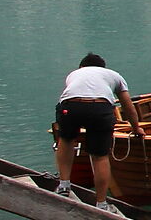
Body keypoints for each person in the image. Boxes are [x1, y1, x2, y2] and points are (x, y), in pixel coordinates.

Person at [54, 54, 141, 202]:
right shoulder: (114, 75)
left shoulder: (74, 74)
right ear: (103, 68)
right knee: (100, 157)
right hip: (100, 109)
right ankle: (101, 202)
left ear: (82, 67)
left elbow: (73, 94)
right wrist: (136, 128)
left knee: (66, 140)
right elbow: (128, 107)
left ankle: (64, 185)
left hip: (70, 107)